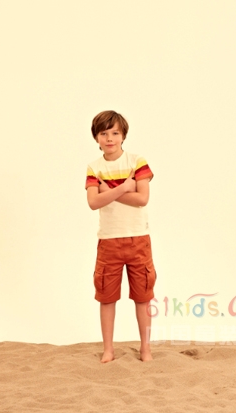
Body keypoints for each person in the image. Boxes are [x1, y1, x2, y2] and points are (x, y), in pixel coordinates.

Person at [85, 110, 157, 363]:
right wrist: (126, 187)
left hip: (138, 239)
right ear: (96, 137)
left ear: (123, 135)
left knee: (143, 297)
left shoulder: (137, 161)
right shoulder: (94, 167)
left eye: (115, 133)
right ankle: (109, 350)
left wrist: (111, 191)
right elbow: (93, 203)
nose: (110, 138)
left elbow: (142, 199)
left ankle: (145, 349)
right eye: (104, 133)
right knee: (106, 298)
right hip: (109, 241)